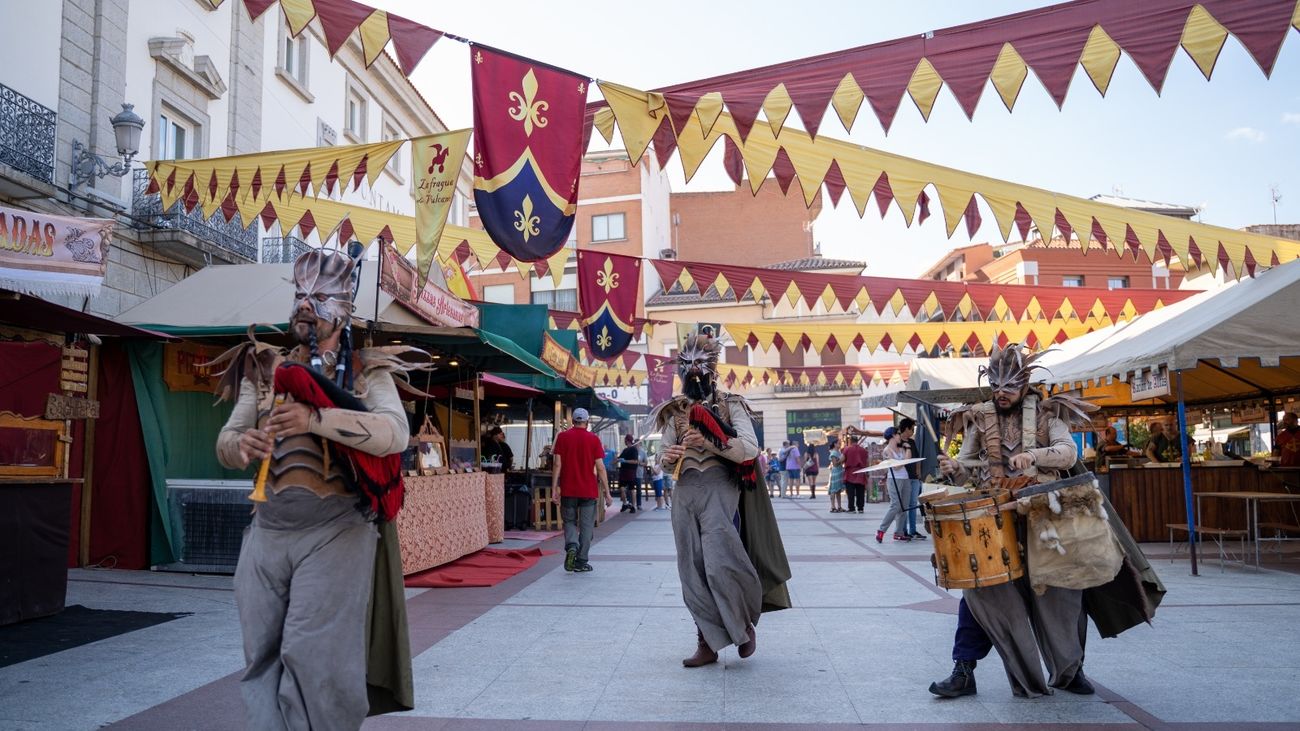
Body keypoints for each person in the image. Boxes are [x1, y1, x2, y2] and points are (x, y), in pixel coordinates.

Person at [212, 248, 417, 728]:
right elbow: (225, 439)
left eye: (319, 297)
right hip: (267, 531)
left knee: (315, 654)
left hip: (335, 531)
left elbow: (395, 434)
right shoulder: (263, 367)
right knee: (260, 653)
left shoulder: (369, 370)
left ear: (344, 308)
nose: (306, 305)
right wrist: (241, 444)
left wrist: (316, 419)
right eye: (300, 295)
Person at [930, 344, 1164, 700]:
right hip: (996, 519)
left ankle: (1071, 671)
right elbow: (966, 470)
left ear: (1024, 384)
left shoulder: (1048, 413)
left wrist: (1033, 456)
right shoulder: (977, 418)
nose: (1001, 392)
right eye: (996, 385)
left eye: (1008, 386)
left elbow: (1068, 452)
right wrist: (955, 469)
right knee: (981, 594)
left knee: (1066, 592)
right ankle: (964, 670)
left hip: (1047, 516)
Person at [655, 333, 791, 667]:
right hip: (684, 489)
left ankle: (743, 627)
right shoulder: (675, 411)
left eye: (699, 365)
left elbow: (749, 447)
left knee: (720, 562)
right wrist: (668, 456)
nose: (693, 373)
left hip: (721, 486)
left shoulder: (732, 404)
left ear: (711, 369)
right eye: (687, 366)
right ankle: (707, 642)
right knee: (691, 567)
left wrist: (711, 442)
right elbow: (661, 453)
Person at [552, 408, 612, 572]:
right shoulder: (593, 439)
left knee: (569, 521)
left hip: (568, 490)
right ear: (586, 422)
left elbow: (557, 464)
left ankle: (572, 545)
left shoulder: (562, 438)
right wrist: (607, 491)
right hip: (588, 491)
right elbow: (600, 467)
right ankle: (581, 561)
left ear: (573, 421)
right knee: (586, 527)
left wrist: (554, 488)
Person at [875, 427, 910, 542]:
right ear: (893, 435)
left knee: (904, 507)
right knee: (895, 505)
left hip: (905, 478)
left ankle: (899, 532)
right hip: (894, 479)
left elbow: (907, 461)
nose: (900, 436)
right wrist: (903, 460)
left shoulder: (901, 448)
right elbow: (896, 466)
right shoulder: (887, 450)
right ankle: (881, 530)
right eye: (899, 434)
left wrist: (908, 448)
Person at [898, 418, 926, 540]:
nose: (913, 431)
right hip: (903, 478)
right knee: (904, 504)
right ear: (906, 428)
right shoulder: (897, 442)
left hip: (914, 477)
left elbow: (917, 458)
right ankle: (903, 531)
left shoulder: (912, 442)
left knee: (913, 504)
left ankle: (913, 530)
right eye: (912, 429)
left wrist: (918, 472)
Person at [841, 432, 869, 514]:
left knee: (850, 492)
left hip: (850, 473)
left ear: (850, 441)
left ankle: (851, 508)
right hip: (861, 472)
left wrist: (837, 462)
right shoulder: (863, 450)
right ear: (857, 441)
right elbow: (867, 462)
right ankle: (860, 508)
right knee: (860, 492)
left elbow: (842, 459)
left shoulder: (847, 449)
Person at [617, 434, 645, 513]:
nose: (624, 441)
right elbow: (619, 458)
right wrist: (614, 460)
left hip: (631, 472)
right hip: (623, 472)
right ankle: (625, 503)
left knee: (632, 489)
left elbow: (636, 461)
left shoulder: (634, 450)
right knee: (621, 488)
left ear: (627, 440)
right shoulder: (625, 450)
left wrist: (625, 461)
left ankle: (633, 506)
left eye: (625, 440)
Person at [827, 439, 846, 513]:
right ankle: (832, 507)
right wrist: (841, 460)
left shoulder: (839, 452)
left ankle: (839, 506)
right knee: (834, 490)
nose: (840, 444)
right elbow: (835, 464)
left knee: (838, 490)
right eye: (839, 443)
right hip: (836, 472)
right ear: (835, 444)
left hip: (840, 471)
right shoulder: (834, 453)